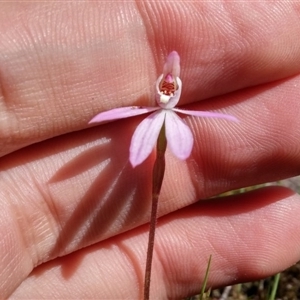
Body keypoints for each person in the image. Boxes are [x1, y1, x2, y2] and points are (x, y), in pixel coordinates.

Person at [1, 2, 300, 299]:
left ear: (177, 84)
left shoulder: (171, 118)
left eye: (172, 81)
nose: (168, 83)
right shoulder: (153, 114)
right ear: (160, 84)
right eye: (165, 81)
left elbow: (177, 140)